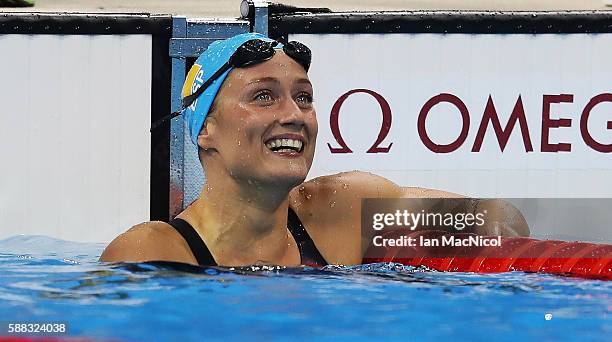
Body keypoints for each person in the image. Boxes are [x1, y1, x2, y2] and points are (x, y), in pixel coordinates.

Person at [100, 33, 529, 267]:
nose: (294, 115)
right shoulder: (154, 253)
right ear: (205, 129)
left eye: (303, 97)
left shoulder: (343, 209)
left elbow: (502, 218)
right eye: (264, 97)